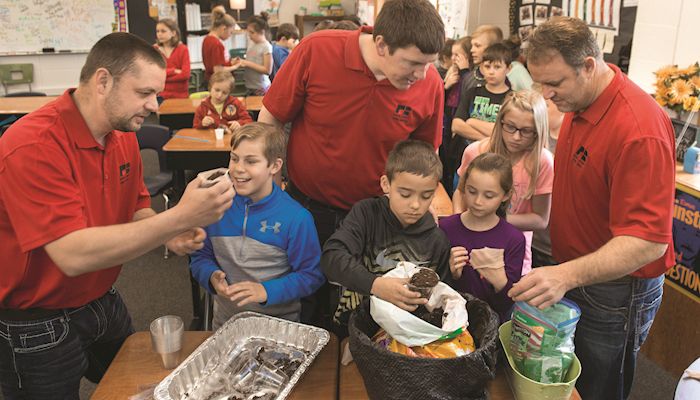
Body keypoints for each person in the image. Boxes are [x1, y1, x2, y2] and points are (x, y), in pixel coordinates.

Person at [0, 32, 235, 399]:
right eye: (143, 93)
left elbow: (137, 209)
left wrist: (165, 233)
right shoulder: (32, 145)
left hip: (102, 298)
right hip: (37, 319)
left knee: (143, 385)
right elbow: (71, 255)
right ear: (103, 81)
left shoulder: (122, 132)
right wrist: (175, 218)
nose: (154, 105)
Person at [507, 17, 676, 400]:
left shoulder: (638, 130)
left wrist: (566, 275)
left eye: (555, 84)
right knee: (566, 378)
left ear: (588, 65)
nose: (547, 96)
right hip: (579, 273)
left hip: (615, 291)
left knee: (598, 385)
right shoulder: (581, 100)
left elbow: (649, 242)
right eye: (540, 84)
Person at [258, 0, 445, 326]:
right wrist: (271, 194)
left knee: (366, 309)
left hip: (378, 215)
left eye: (429, 64)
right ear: (382, 44)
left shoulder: (430, 84)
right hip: (307, 204)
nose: (423, 74)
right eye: (413, 63)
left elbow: (426, 158)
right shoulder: (317, 49)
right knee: (304, 300)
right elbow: (270, 119)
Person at [190, 123, 325, 328]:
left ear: (274, 166)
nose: (238, 169)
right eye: (234, 158)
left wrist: (266, 291)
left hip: (280, 329)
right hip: (226, 324)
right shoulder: (214, 207)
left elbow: (311, 275)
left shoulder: (297, 218)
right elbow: (200, 257)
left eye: (251, 161)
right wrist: (210, 275)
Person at [321, 140, 451, 329]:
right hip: (354, 325)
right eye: (405, 194)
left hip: (406, 331)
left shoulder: (438, 241)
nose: (415, 205)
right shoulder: (367, 214)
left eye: (425, 196)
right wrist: (376, 285)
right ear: (385, 184)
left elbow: (441, 299)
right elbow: (332, 257)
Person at [452, 90, 553, 275]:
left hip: (513, 249)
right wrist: (458, 223)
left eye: (526, 131)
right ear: (500, 123)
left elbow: (540, 219)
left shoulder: (542, 162)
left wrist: (494, 221)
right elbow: (460, 192)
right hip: (471, 240)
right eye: (510, 127)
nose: (516, 137)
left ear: (538, 131)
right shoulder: (475, 151)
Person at [440, 153, 525, 322]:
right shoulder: (445, 227)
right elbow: (434, 286)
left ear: (506, 195)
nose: (478, 201)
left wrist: (500, 281)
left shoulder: (513, 239)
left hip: (490, 328)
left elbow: (507, 304)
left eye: (489, 196)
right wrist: (450, 274)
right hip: (448, 321)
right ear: (463, 187)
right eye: (472, 191)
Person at [452, 43, 512, 144]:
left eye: (497, 67)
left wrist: (472, 122)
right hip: (465, 152)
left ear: (508, 68)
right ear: (482, 67)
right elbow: (456, 125)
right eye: (487, 66)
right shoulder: (472, 93)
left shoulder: (512, 99)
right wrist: (487, 140)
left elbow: (505, 132)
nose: (491, 72)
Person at [442, 36, 472, 194]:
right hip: (447, 127)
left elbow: (468, 94)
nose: (453, 58)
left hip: (460, 131)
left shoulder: (469, 77)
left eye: (457, 55)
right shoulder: (451, 73)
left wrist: (465, 71)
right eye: (452, 55)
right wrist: (445, 87)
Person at [154, 18, 191, 100]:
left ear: (173, 33)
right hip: (161, 96)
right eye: (157, 31)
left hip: (181, 96)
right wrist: (174, 71)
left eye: (163, 31)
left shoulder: (183, 49)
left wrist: (163, 75)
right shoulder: (154, 50)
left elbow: (185, 74)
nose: (159, 34)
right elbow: (154, 75)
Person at [462, 25, 503, 94]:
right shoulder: (468, 78)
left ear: (491, 48)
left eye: (477, 46)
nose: (472, 50)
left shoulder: (503, 79)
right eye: (472, 45)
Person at [241, 14, 273, 95]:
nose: (249, 35)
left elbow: (267, 70)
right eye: (248, 32)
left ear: (262, 31)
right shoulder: (251, 42)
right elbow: (251, 59)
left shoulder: (266, 47)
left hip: (260, 87)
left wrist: (247, 63)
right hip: (249, 85)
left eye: (252, 32)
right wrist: (240, 62)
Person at [202, 9, 238, 82]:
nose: (230, 35)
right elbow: (218, 70)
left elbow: (215, 63)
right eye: (230, 32)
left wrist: (230, 63)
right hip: (217, 82)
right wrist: (235, 67)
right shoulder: (217, 44)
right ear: (224, 28)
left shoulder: (207, 39)